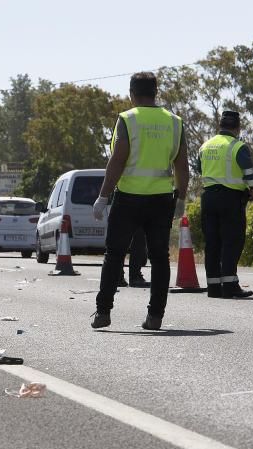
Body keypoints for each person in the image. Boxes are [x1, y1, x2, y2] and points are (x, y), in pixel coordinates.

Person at [91, 72, 190, 330]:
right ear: (156, 92)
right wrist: (180, 197)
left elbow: (118, 159)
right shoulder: (174, 122)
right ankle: (155, 316)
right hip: (160, 200)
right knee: (159, 258)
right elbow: (182, 164)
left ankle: (103, 313)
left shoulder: (127, 119)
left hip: (129, 198)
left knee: (114, 254)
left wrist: (103, 196)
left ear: (131, 93)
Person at [196, 110, 253, 298]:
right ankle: (230, 285)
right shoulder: (238, 147)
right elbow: (249, 173)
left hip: (208, 198)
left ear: (220, 126)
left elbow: (200, 169)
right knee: (232, 241)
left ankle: (214, 287)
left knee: (212, 242)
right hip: (231, 199)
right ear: (237, 127)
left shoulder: (205, 146)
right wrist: (252, 190)